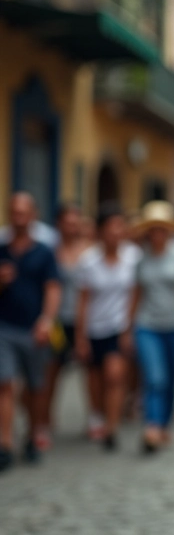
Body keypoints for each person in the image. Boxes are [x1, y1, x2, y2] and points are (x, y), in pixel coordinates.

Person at [127, 201, 174, 453]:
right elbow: (136, 294)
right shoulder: (141, 256)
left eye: (162, 227)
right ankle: (152, 426)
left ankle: (165, 423)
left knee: (171, 378)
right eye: (153, 228)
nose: (157, 232)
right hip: (146, 325)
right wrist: (127, 327)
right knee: (155, 376)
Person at [0, 193, 61, 471]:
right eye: (14, 212)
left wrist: (47, 320)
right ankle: (5, 444)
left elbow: (53, 288)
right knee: (6, 384)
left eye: (23, 212)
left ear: (33, 215)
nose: (18, 217)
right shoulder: (2, 249)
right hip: (5, 328)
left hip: (34, 328)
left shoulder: (44, 252)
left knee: (36, 388)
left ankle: (32, 436)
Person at [74, 204, 141, 450]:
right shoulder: (88, 261)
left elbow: (137, 295)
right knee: (95, 378)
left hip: (119, 326)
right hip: (93, 328)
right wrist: (80, 338)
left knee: (115, 376)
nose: (116, 232)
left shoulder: (133, 257)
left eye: (120, 226)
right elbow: (82, 301)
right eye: (111, 227)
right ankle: (96, 415)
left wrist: (129, 328)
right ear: (101, 231)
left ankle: (111, 428)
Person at [40, 203, 89, 448]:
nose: (71, 227)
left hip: (83, 320)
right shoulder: (49, 250)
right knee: (52, 370)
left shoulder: (89, 251)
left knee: (90, 370)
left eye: (75, 222)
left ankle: (94, 417)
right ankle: (44, 421)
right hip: (57, 320)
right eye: (67, 222)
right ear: (59, 224)